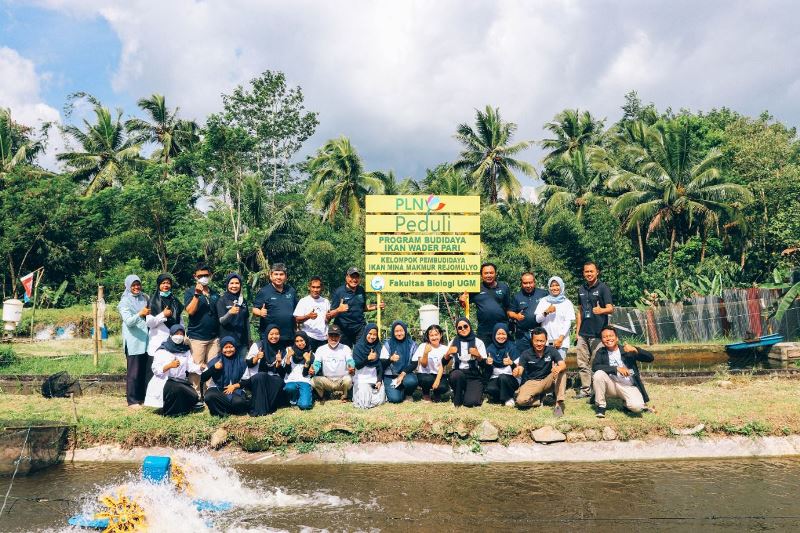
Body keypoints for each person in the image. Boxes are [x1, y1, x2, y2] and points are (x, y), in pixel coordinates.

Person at [592, 326, 654, 418]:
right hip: (612, 386)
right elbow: (595, 367)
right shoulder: (601, 352)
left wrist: (636, 350)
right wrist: (616, 368)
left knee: (637, 407)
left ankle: (626, 404)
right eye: (605, 337)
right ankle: (601, 406)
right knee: (598, 374)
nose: (608, 338)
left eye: (611, 336)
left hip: (629, 386)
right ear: (602, 340)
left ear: (617, 338)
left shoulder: (627, 350)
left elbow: (650, 358)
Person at [144, 324, 202, 416]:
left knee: (193, 395)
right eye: (176, 333)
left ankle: (182, 409)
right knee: (176, 388)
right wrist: (169, 366)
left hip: (180, 381)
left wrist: (200, 367)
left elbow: (189, 366)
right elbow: (155, 370)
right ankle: (170, 412)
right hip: (165, 381)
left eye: (181, 334)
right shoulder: (162, 350)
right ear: (171, 335)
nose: (179, 336)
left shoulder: (185, 350)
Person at [575, 262, 614, 398]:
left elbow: (611, 308)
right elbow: (579, 311)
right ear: (583, 273)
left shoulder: (603, 288)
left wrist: (601, 310)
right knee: (582, 363)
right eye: (586, 272)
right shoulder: (581, 289)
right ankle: (585, 390)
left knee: (596, 363)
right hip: (583, 333)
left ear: (597, 272)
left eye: (591, 271)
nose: (589, 274)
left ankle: (596, 390)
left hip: (598, 333)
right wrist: (577, 332)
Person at [183, 264, 219, 397]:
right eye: (200, 276)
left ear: (210, 275)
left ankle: (211, 395)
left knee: (212, 367)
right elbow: (190, 311)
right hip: (197, 337)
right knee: (196, 369)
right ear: (195, 277)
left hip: (214, 338)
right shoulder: (190, 292)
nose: (203, 278)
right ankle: (195, 396)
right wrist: (197, 295)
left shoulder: (214, 293)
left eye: (206, 275)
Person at [514, 327, 567, 417]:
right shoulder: (526, 353)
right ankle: (540, 399)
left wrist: (558, 368)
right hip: (532, 382)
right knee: (520, 401)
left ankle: (558, 404)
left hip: (547, 381)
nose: (539, 344)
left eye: (542, 341)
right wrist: (517, 372)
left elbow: (563, 364)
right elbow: (520, 370)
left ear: (546, 340)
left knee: (562, 372)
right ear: (532, 340)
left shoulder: (552, 350)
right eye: (536, 341)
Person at [329, 267, 385, 347]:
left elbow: (363, 307)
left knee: (363, 350)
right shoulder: (339, 292)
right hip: (343, 330)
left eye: (356, 277)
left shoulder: (361, 290)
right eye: (352, 277)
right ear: (347, 277)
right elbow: (331, 314)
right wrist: (338, 310)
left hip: (359, 328)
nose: (354, 280)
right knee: (345, 354)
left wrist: (377, 306)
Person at [118, 275, 150, 408]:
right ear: (128, 286)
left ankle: (142, 397)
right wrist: (140, 314)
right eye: (133, 285)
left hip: (146, 340)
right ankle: (132, 401)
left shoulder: (145, 298)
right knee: (134, 372)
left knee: (144, 371)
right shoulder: (124, 302)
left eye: (138, 284)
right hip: (133, 341)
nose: (136, 287)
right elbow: (129, 322)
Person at [459, 263, 511, 346]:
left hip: (501, 330)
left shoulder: (504, 287)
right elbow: (464, 305)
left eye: (491, 273)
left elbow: (508, 307)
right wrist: (462, 300)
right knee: (484, 356)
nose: (489, 275)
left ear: (495, 273)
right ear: (481, 275)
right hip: (484, 331)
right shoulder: (475, 288)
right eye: (486, 273)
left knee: (503, 355)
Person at [145, 273, 184, 385]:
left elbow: (180, 320)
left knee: (170, 368)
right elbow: (149, 323)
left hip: (172, 341)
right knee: (155, 369)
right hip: (157, 341)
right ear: (158, 285)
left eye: (168, 283)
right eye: (163, 283)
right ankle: (151, 396)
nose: (166, 285)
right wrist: (163, 315)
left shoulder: (175, 301)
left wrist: (182, 334)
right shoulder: (152, 301)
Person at [443, 317, 488, 408]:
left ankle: (465, 392)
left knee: (471, 402)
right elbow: (443, 362)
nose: (463, 329)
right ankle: (457, 398)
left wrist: (478, 356)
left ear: (470, 326)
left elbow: (484, 365)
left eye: (465, 326)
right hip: (458, 372)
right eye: (459, 328)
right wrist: (448, 354)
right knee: (456, 374)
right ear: (457, 330)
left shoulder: (478, 342)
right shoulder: (453, 342)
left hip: (473, 374)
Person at [252, 263, 299, 349]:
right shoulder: (264, 291)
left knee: (288, 361)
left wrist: (297, 328)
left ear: (285, 276)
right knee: (272, 361)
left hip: (289, 336)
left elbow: (297, 311)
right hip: (271, 337)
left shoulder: (291, 291)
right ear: (271, 276)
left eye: (281, 274)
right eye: (276, 274)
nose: (278, 277)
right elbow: (254, 309)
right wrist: (260, 312)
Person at [243, 324, 287, 416]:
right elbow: (248, 363)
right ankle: (261, 410)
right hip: (257, 378)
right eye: (271, 334)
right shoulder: (258, 345)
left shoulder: (282, 349)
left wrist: (278, 363)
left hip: (272, 378)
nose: (274, 336)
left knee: (279, 382)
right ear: (267, 334)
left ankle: (265, 407)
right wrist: (256, 358)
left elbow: (282, 373)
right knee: (262, 376)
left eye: (277, 334)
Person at [203, 336, 250, 417]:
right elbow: (203, 377)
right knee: (209, 396)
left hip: (236, 390)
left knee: (239, 402)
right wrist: (213, 368)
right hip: (218, 389)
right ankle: (224, 412)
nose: (228, 350)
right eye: (226, 347)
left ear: (235, 347)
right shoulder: (215, 361)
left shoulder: (241, 361)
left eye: (231, 347)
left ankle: (223, 408)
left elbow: (247, 381)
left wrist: (234, 386)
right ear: (221, 349)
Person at [534, 276, 576, 359]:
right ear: (549, 287)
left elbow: (568, 322)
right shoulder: (544, 301)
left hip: (561, 342)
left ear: (561, 286)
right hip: (545, 342)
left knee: (559, 368)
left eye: (557, 285)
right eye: (552, 285)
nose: (555, 288)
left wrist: (560, 339)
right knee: (546, 369)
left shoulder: (567, 303)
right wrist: (546, 312)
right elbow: (537, 319)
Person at [310, 324, 355, 402]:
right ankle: (322, 396)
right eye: (331, 335)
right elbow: (317, 363)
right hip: (327, 380)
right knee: (313, 381)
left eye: (336, 335)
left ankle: (345, 396)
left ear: (340, 337)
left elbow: (350, 361)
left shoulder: (345, 348)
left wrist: (351, 367)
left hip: (341, 380)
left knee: (348, 379)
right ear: (327, 336)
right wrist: (314, 369)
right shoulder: (321, 349)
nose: (333, 338)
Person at [508, 272, 549, 354]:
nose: (528, 285)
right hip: (523, 335)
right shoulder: (517, 296)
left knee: (540, 358)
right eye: (525, 283)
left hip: (540, 333)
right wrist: (516, 316)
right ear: (521, 283)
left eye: (530, 282)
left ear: (534, 282)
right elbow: (509, 312)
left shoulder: (544, 294)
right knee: (523, 358)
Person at [351, 323, 386, 409]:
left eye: (374, 334)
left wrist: (379, 380)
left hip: (373, 378)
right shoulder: (358, 347)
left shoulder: (378, 346)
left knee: (380, 398)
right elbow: (357, 366)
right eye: (370, 334)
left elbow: (380, 366)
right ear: (366, 333)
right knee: (364, 401)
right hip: (361, 378)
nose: (372, 336)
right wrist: (368, 358)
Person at [412, 324, 449, 402]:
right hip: (425, 374)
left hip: (439, 374)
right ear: (428, 336)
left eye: (436, 334)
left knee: (443, 387)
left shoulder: (445, 349)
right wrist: (425, 353)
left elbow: (442, 366)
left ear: (441, 335)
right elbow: (424, 365)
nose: (434, 337)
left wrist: (437, 380)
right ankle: (426, 394)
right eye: (431, 335)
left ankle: (436, 393)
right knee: (427, 380)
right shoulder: (423, 346)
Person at [485, 323, 519, 407]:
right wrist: (487, 364)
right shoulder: (490, 348)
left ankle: (508, 398)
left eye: (503, 334)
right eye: (498, 334)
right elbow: (487, 371)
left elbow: (519, 368)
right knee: (490, 389)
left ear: (507, 334)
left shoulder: (512, 347)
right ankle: (501, 397)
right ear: (494, 334)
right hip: (495, 377)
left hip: (511, 378)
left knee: (503, 377)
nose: (501, 336)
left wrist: (512, 363)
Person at [294, 276, 331, 352]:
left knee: (321, 362)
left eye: (318, 287)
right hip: (309, 337)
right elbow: (297, 319)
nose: (315, 290)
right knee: (309, 361)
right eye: (313, 287)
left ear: (321, 288)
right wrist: (308, 316)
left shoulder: (325, 301)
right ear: (309, 287)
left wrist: (328, 318)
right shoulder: (303, 301)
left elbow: (327, 321)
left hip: (323, 338)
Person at [216, 273, 250, 354]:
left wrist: (249, 339)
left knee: (242, 365)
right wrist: (230, 313)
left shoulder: (243, 301)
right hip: (228, 342)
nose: (234, 286)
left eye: (237, 283)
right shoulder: (222, 300)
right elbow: (221, 321)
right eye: (231, 283)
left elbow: (247, 321)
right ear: (227, 285)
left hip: (242, 341)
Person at [282, 331, 315, 410]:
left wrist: (307, 361)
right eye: (297, 341)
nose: (299, 343)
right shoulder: (289, 350)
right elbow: (287, 371)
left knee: (305, 406)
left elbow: (305, 374)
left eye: (301, 340)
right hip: (291, 380)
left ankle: (305, 396)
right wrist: (288, 357)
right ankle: (293, 399)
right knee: (289, 388)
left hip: (304, 380)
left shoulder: (311, 354)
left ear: (306, 340)